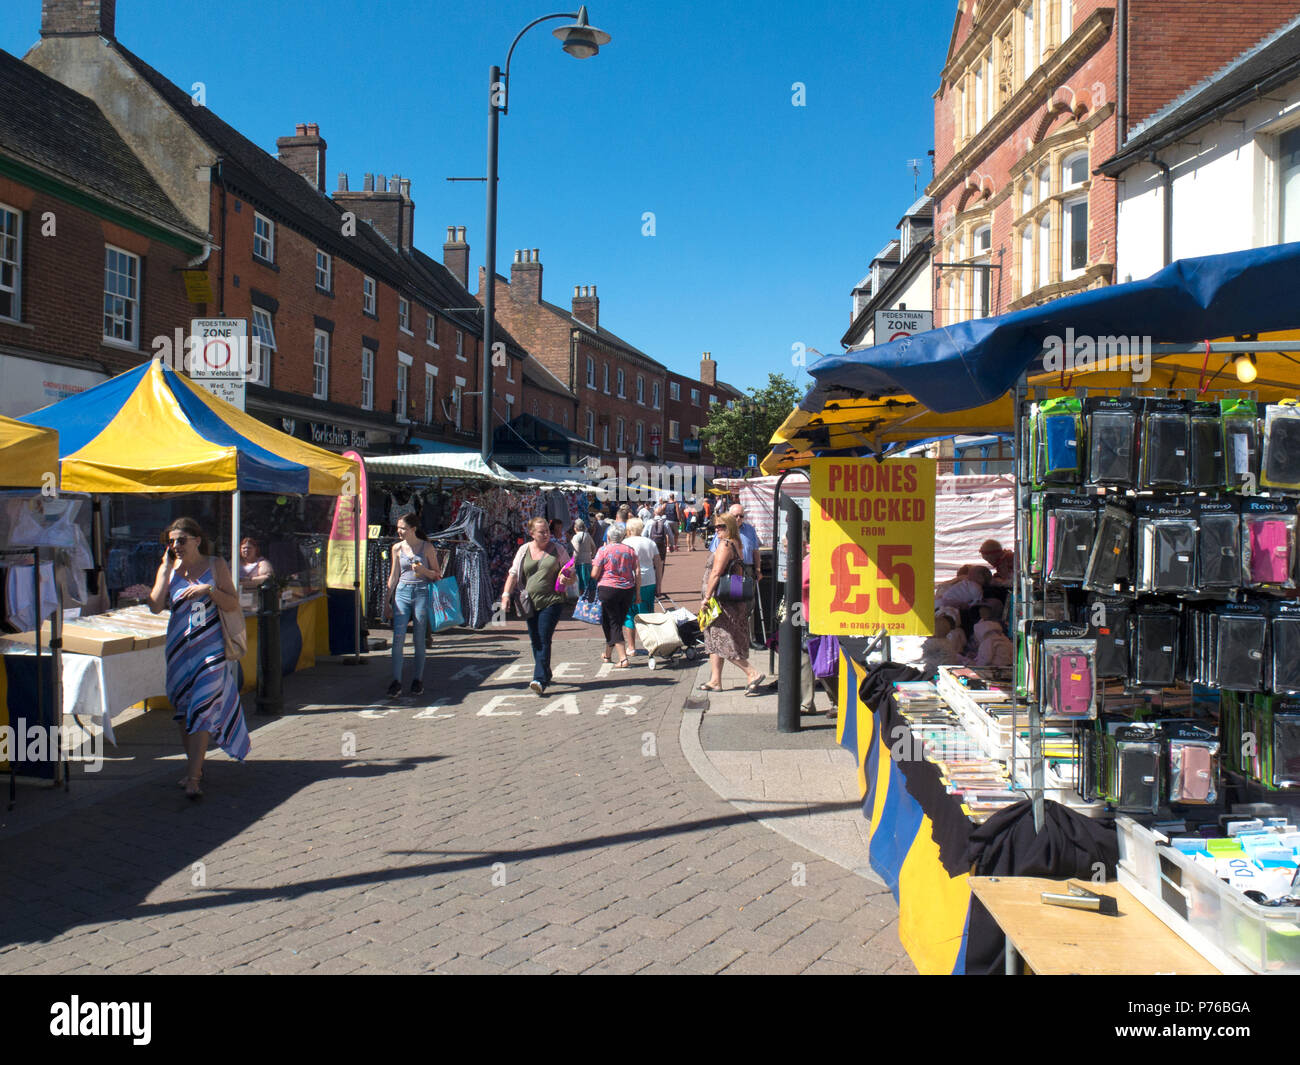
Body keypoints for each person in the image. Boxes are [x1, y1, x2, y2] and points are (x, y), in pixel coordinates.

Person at [149, 517, 249, 799]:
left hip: (211, 649)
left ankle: (193, 778)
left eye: (181, 540)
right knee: (184, 710)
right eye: (172, 541)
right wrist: (166, 568)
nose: (176, 546)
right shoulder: (169, 568)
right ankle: (196, 766)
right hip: (180, 649)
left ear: (197, 540)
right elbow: (155, 605)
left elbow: (232, 603)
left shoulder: (215, 565)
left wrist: (210, 591)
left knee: (202, 708)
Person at [502, 517, 575, 695]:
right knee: (535, 639)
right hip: (528, 602)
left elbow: (571, 572)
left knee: (543, 637)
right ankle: (546, 672)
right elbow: (513, 574)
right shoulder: (523, 550)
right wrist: (505, 595)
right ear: (531, 533)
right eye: (541, 532)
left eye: (547, 531)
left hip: (552, 600)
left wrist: (568, 578)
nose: (545, 535)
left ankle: (539, 679)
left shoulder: (558, 549)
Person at [699, 513, 765, 694]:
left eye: (721, 527)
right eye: (716, 527)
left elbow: (716, 573)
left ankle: (752, 672)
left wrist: (707, 597)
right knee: (714, 637)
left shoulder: (725, 545)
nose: (717, 530)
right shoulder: (736, 542)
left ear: (730, 527)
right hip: (730, 596)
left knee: (722, 639)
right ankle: (715, 680)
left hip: (720, 599)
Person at [383, 512, 442, 698]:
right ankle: (396, 681)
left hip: (421, 592)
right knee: (398, 638)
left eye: (403, 528)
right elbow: (394, 576)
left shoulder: (426, 547)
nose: (399, 531)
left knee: (418, 638)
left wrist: (424, 570)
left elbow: (437, 574)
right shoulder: (397, 549)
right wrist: (387, 601)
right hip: (402, 592)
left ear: (413, 529)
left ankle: (417, 679)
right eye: (398, 528)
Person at [591, 525, 639, 668]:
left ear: (609, 537)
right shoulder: (630, 551)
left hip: (608, 589)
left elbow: (594, 574)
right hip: (627, 589)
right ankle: (608, 654)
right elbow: (637, 571)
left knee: (614, 623)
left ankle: (623, 658)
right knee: (610, 621)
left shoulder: (603, 550)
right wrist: (637, 593)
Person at [622, 517, 663, 654]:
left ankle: (631, 647)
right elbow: (658, 563)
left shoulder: (625, 543)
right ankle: (650, 644)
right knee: (647, 612)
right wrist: (659, 584)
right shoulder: (650, 543)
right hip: (649, 580)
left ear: (629, 529)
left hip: (630, 581)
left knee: (629, 614)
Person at [570, 518, 596, 597]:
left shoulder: (576, 537)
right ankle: (588, 597)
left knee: (581, 581)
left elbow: (576, 551)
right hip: (588, 561)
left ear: (575, 528)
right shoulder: (587, 535)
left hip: (580, 563)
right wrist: (592, 555)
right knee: (587, 580)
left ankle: (582, 598)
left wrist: (572, 562)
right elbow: (594, 547)